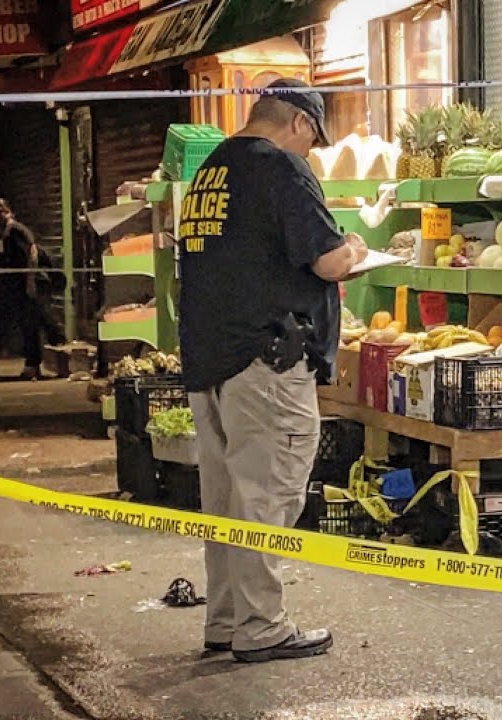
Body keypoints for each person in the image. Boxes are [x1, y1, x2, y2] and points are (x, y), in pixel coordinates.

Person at [178, 78, 369, 664]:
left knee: (228, 500)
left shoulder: (212, 170)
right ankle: (262, 626)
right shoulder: (280, 167)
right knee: (267, 496)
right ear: (300, 123)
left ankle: (227, 619)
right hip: (267, 362)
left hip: (211, 360)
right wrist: (356, 250)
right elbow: (328, 259)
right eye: (313, 140)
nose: (311, 151)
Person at [0, 198, 63, 382]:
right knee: (28, 326)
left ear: (8, 212)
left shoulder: (15, 230)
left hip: (19, 289)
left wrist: (30, 282)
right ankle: (30, 366)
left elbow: (31, 252)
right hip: (13, 289)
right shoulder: (5, 234)